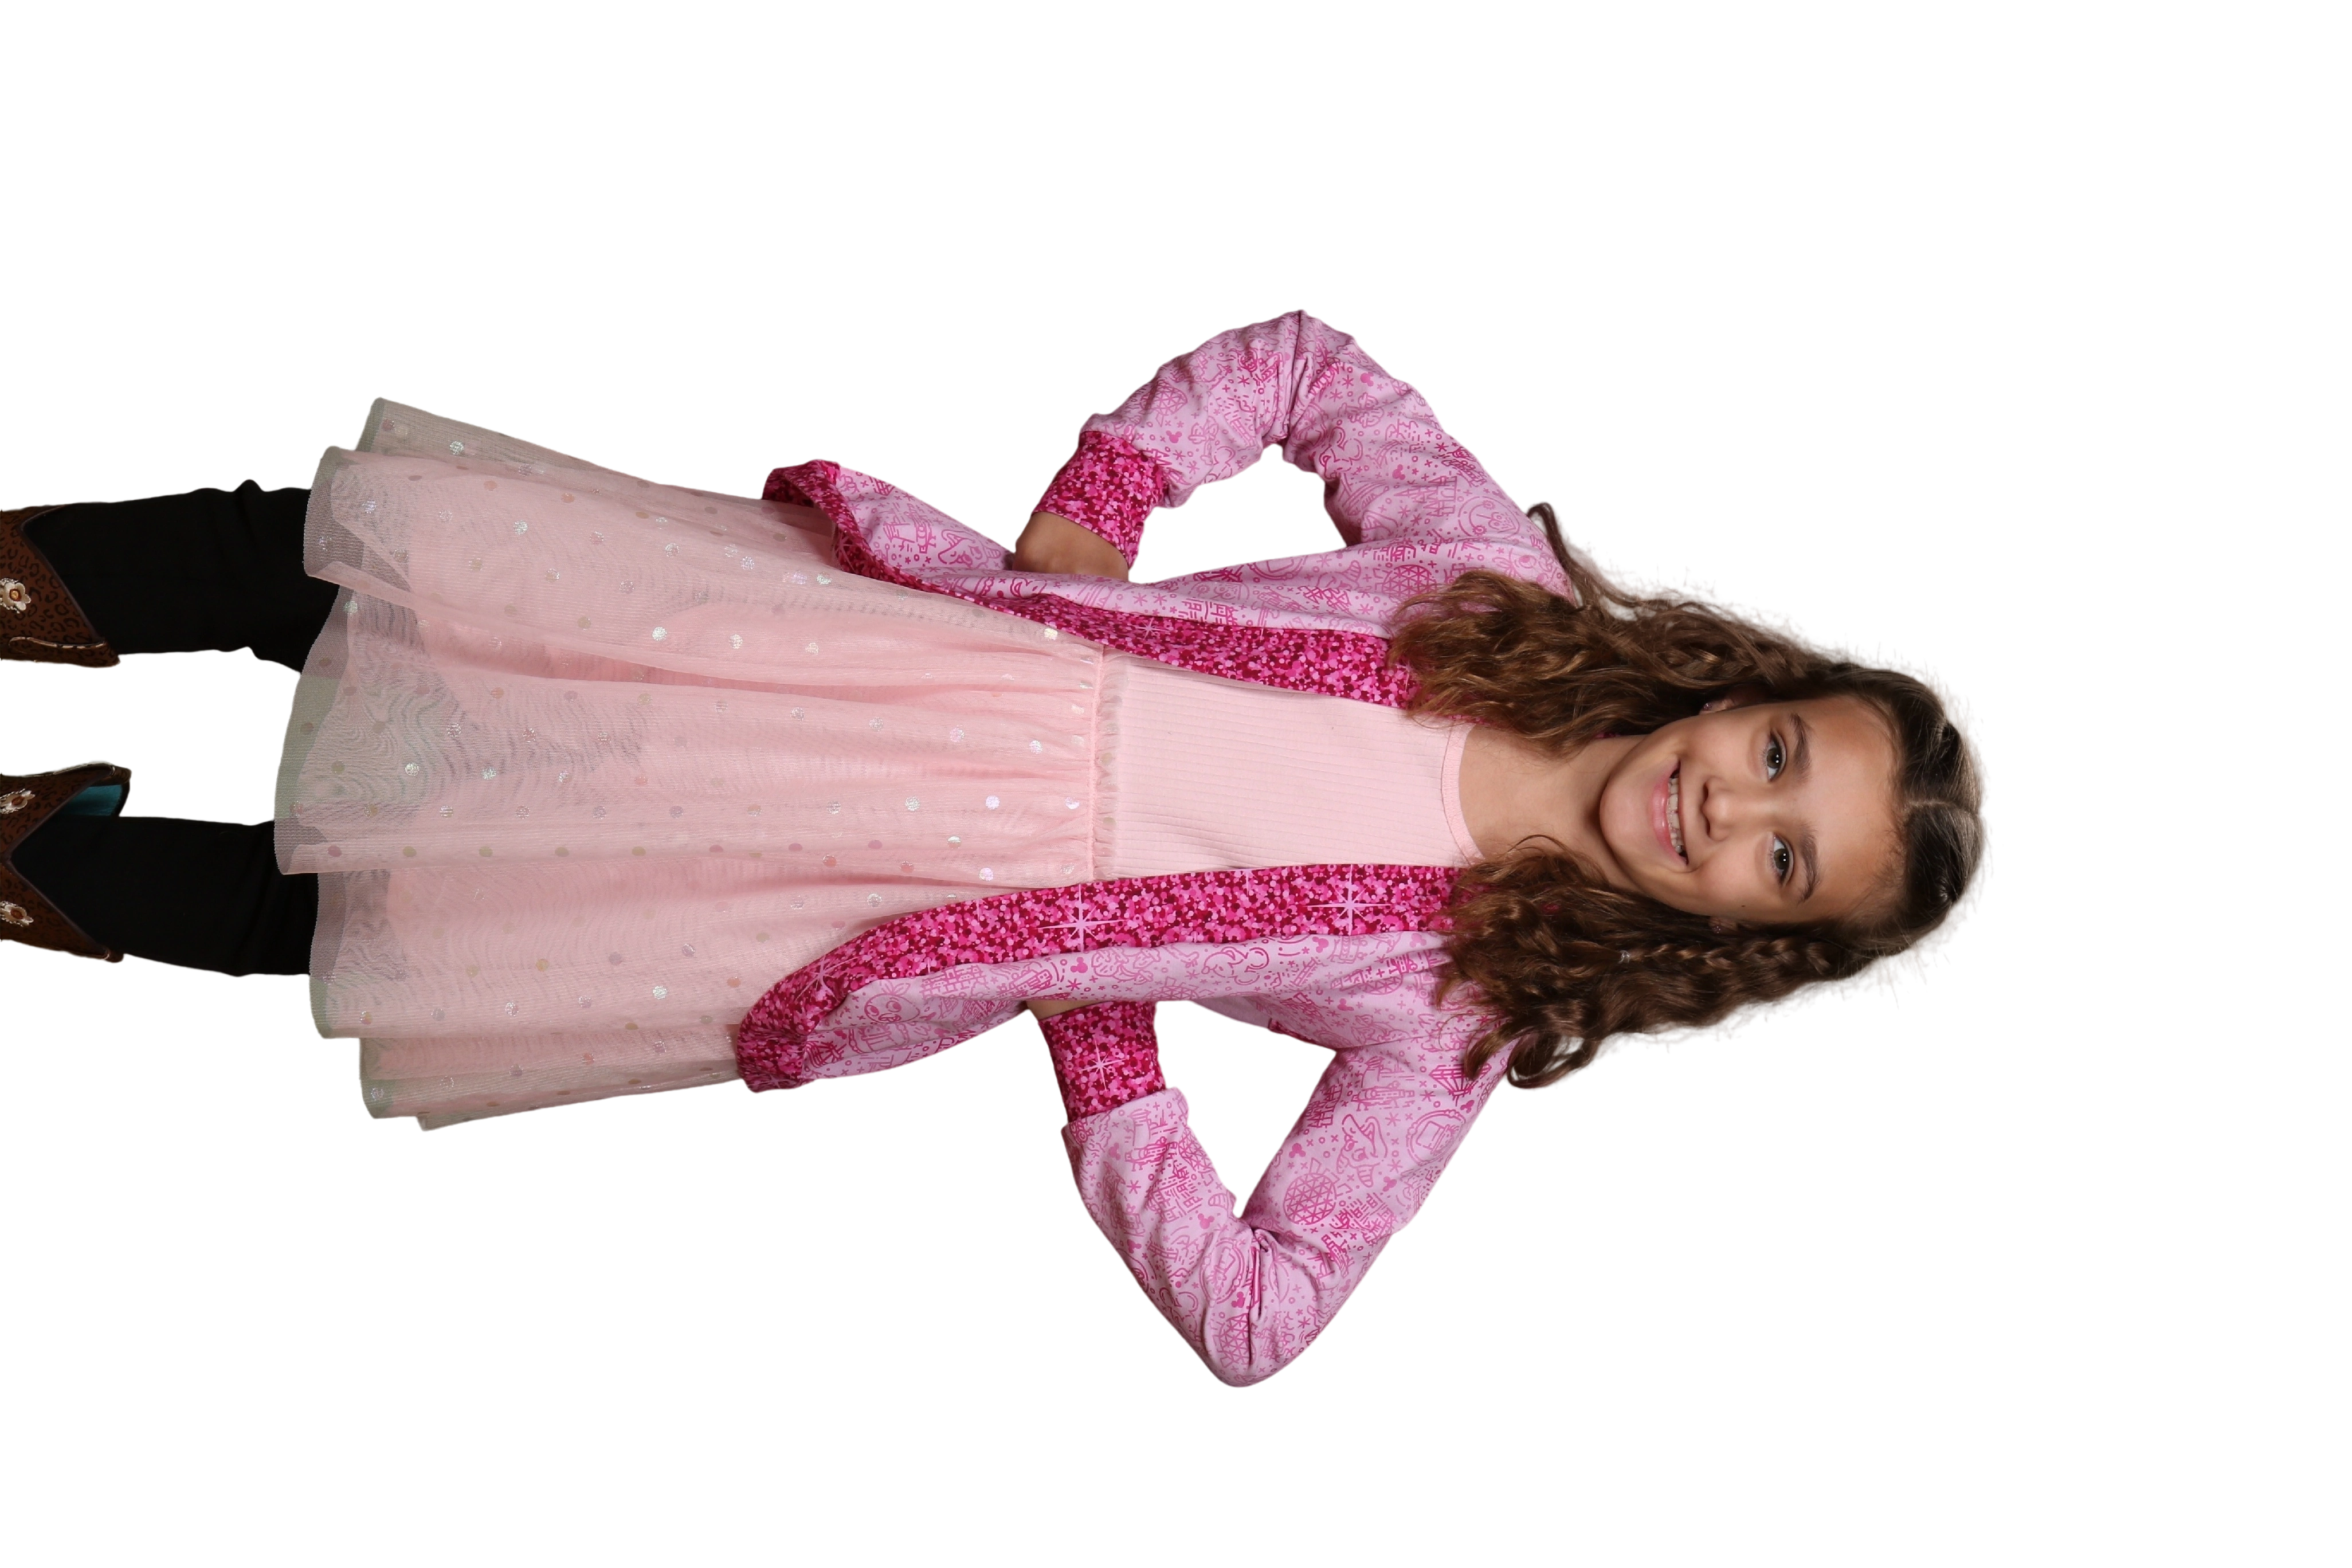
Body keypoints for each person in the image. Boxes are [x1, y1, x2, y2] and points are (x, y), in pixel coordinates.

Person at [0, 308, 1994, 1388]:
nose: (1732, 806)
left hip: (896, 903)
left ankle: (54, 874)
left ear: (1751, 937)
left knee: (454, 905)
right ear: (1751, 685)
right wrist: (1111, 492)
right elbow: (1312, 364)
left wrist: (1106, 1041)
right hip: (889, 650)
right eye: (1781, 754)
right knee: (467, 582)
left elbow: (1262, 1316)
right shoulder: (1491, 584)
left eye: (1784, 860)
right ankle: (53, 581)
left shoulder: (1464, 1016)